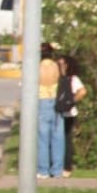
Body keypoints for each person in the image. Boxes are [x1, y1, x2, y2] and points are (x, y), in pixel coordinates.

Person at [36, 43, 66, 179]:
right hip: (57, 101)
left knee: (42, 138)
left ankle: (43, 170)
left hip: (42, 100)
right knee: (58, 137)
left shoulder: (36, 67)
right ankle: (57, 170)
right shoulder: (57, 66)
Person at [58, 54, 87, 177]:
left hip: (69, 113)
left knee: (66, 140)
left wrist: (71, 101)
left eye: (62, 64)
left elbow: (82, 91)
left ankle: (67, 167)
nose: (60, 67)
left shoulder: (73, 79)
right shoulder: (58, 78)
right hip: (59, 112)